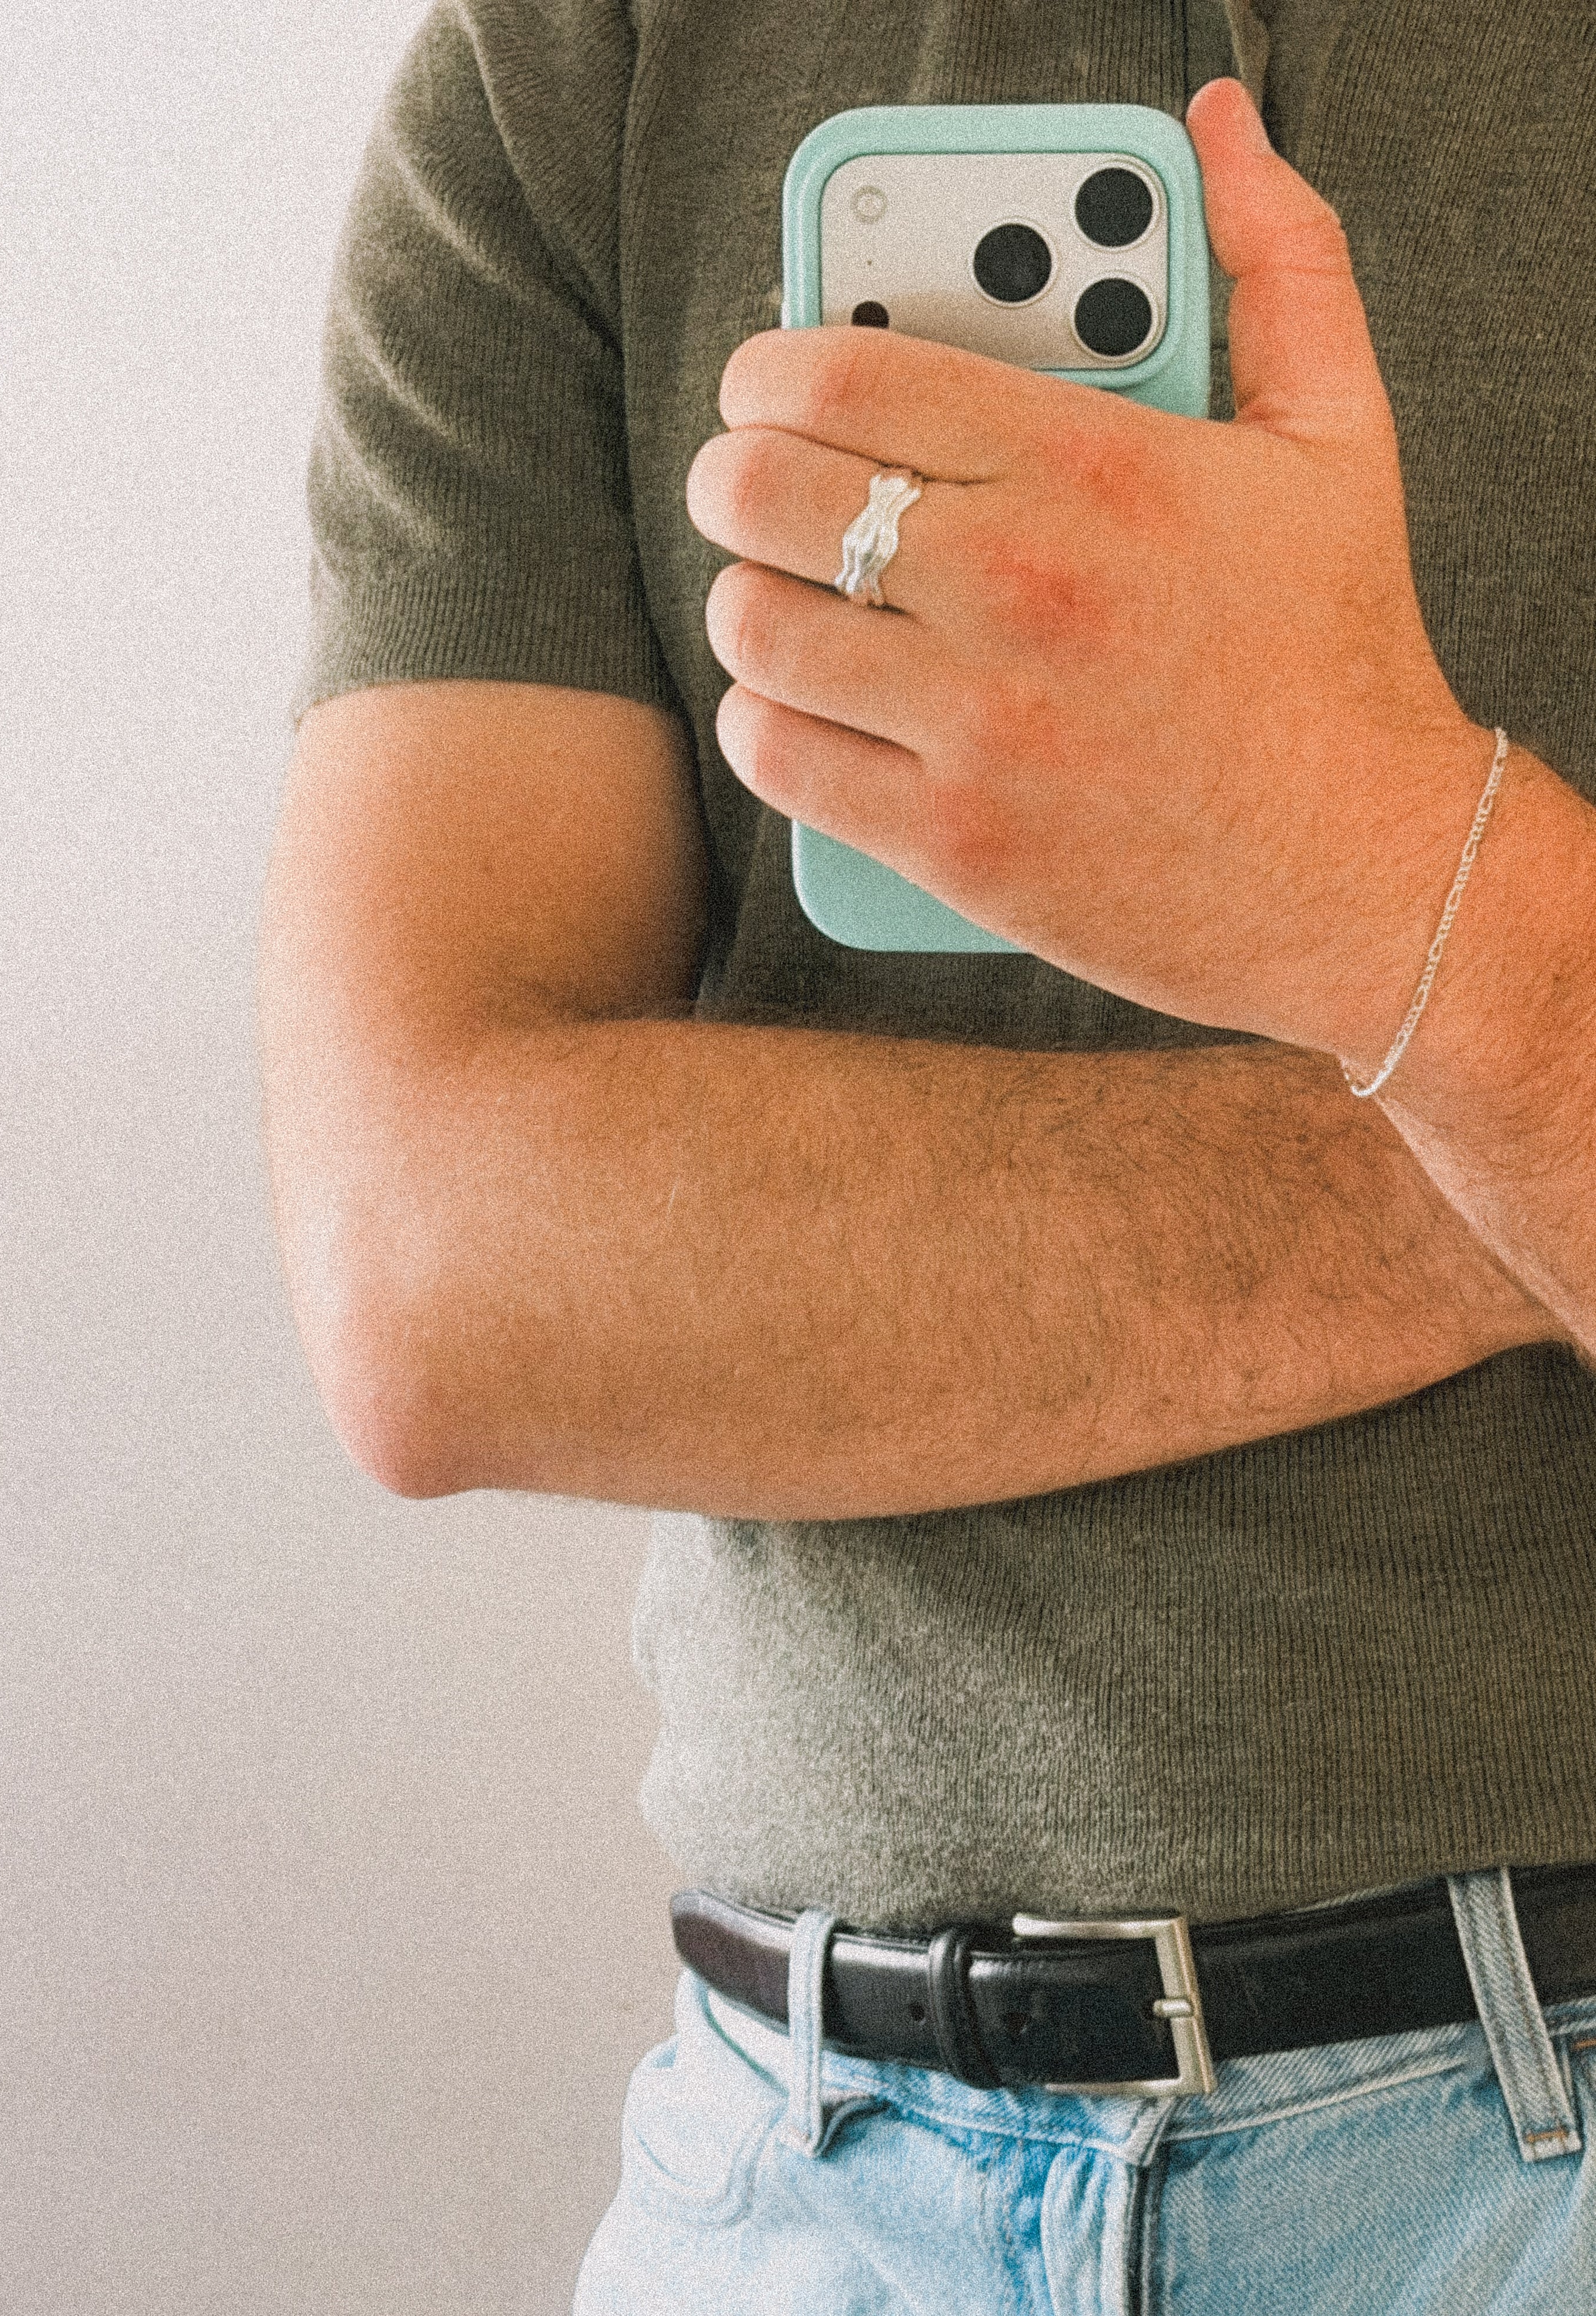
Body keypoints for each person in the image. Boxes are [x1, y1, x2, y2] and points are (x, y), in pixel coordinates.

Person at [256, 0, 1596, 2304]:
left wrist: (1378, 856)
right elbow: (441, 1275)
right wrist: (1486, 1058)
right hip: (797, 2163)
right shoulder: (573, 63)